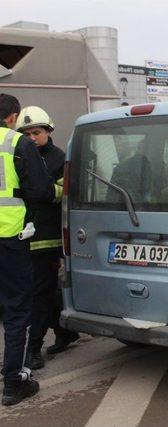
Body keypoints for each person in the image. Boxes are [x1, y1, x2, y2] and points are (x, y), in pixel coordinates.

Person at [0, 94, 56, 406]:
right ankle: (14, 381)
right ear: (13, 117)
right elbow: (42, 189)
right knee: (17, 308)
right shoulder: (16, 143)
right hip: (9, 236)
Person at [16, 106, 79, 371]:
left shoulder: (59, 158)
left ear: (48, 131)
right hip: (23, 236)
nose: (32, 137)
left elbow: (61, 193)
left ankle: (33, 349)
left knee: (39, 294)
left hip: (49, 237)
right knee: (45, 291)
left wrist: (39, 190)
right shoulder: (18, 156)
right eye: (27, 133)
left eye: (37, 132)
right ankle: (65, 331)